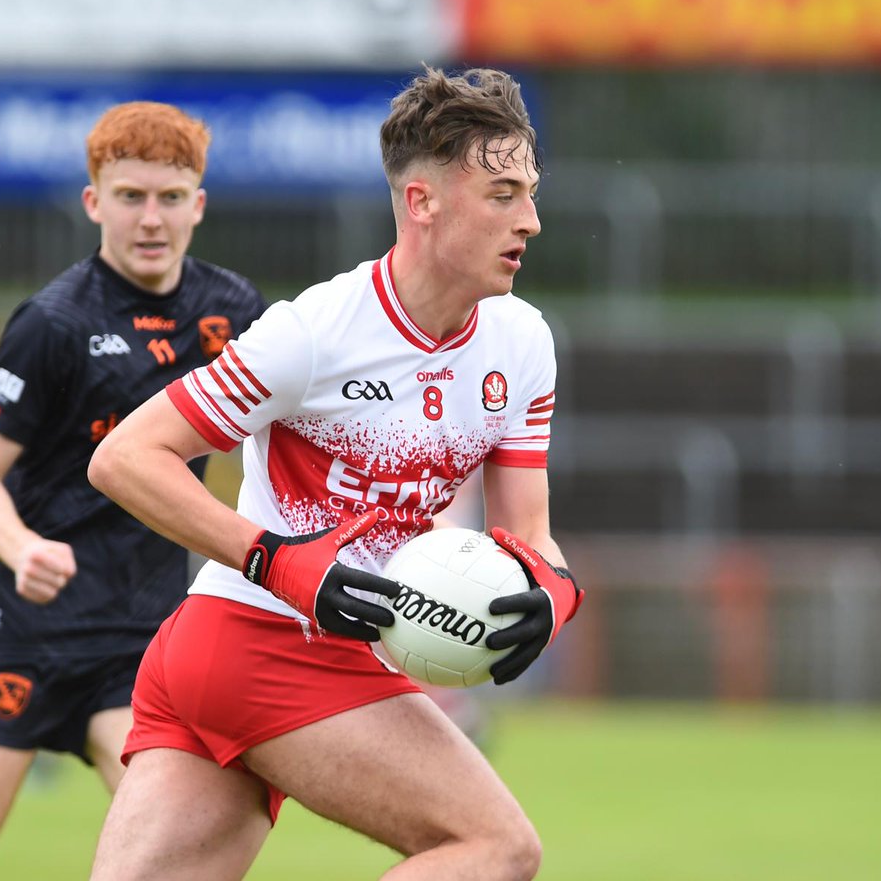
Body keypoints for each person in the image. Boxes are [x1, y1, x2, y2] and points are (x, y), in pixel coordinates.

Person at [85, 66, 584, 881]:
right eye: (501, 194)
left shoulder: (522, 343)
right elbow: (125, 458)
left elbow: (530, 531)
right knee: (496, 846)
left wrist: (553, 593)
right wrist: (273, 558)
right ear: (421, 202)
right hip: (266, 644)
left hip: (229, 659)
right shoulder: (314, 334)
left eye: (530, 192)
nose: (529, 219)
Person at [0, 101, 266, 880]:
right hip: (18, 625)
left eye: (169, 196)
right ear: (94, 202)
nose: (150, 218)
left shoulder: (235, 312)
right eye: (129, 197)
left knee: (192, 844)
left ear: (199, 205)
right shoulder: (51, 323)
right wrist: (21, 547)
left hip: (141, 642)